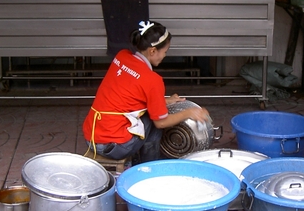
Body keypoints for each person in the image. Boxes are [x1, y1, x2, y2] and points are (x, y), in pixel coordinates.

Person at [83, 20, 210, 163]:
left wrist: (165, 100)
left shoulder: (121, 56)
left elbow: (130, 94)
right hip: (114, 147)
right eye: (165, 52)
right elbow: (161, 123)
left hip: (91, 136)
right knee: (154, 120)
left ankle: (143, 160)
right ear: (152, 51)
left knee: (152, 113)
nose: (164, 56)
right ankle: (149, 165)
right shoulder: (153, 80)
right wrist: (189, 113)